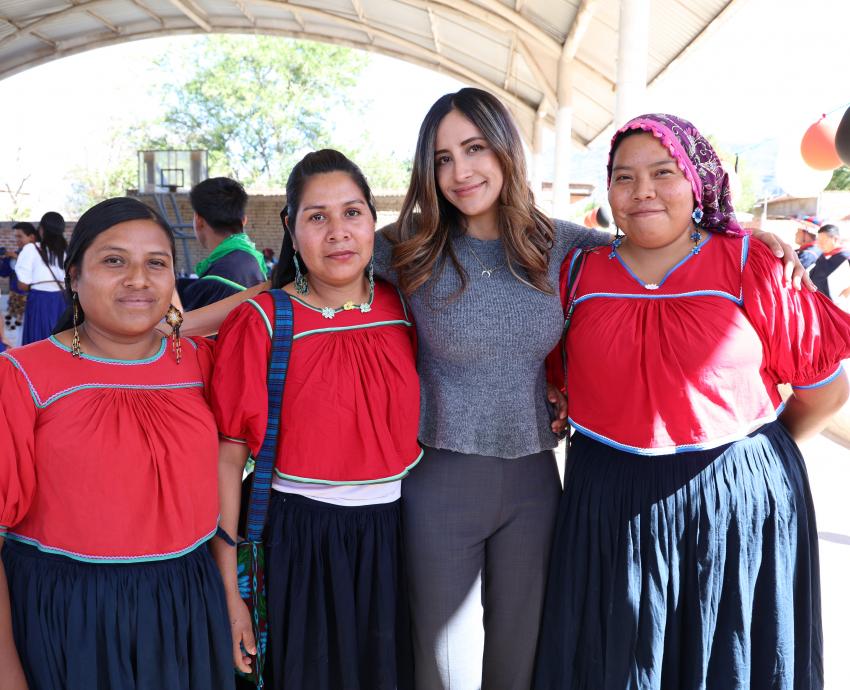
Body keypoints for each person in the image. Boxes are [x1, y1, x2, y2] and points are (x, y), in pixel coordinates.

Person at [534, 113, 850, 690]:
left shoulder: (750, 264)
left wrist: (749, 460)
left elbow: (826, 390)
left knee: (727, 661)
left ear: (698, 181)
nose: (642, 191)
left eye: (663, 172)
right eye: (624, 178)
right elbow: (557, 375)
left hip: (734, 508)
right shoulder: (577, 273)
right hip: (609, 506)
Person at [0, 197, 233, 690]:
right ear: (74, 277)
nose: (138, 279)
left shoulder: (201, 363)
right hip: (68, 615)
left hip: (187, 606)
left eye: (157, 263)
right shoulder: (22, 376)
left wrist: (230, 603)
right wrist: (6, 671)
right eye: (113, 261)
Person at [209, 150, 419, 690]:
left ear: (375, 221)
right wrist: (231, 592)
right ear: (291, 228)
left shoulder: (407, 307)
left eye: (352, 213)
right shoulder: (261, 322)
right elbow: (228, 456)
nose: (338, 233)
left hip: (398, 536)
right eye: (316, 217)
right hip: (299, 541)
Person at [180, 176, 269, 310]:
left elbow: (177, 326)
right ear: (243, 220)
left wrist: (168, 299)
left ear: (199, 220)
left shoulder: (217, 280)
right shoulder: (252, 260)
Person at [14, 212, 67, 344]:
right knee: (61, 342)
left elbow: (22, 284)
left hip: (39, 301)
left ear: (41, 229)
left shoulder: (31, 249)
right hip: (63, 301)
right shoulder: (67, 251)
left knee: (38, 342)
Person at [1, 222, 38, 332]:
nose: (17, 240)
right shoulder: (14, 254)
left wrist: (17, 257)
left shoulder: (40, 254)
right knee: (14, 330)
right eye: (15, 236)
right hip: (14, 298)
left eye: (20, 236)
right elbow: (4, 273)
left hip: (31, 299)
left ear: (32, 237)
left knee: (30, 329)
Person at [809, 224, 850, 302]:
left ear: (835, 239)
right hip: (820, 301)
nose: (820, 244)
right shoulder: (822, 256)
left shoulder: (846, 256)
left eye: (824, 240)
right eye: (819, 240)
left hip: (839, 305)